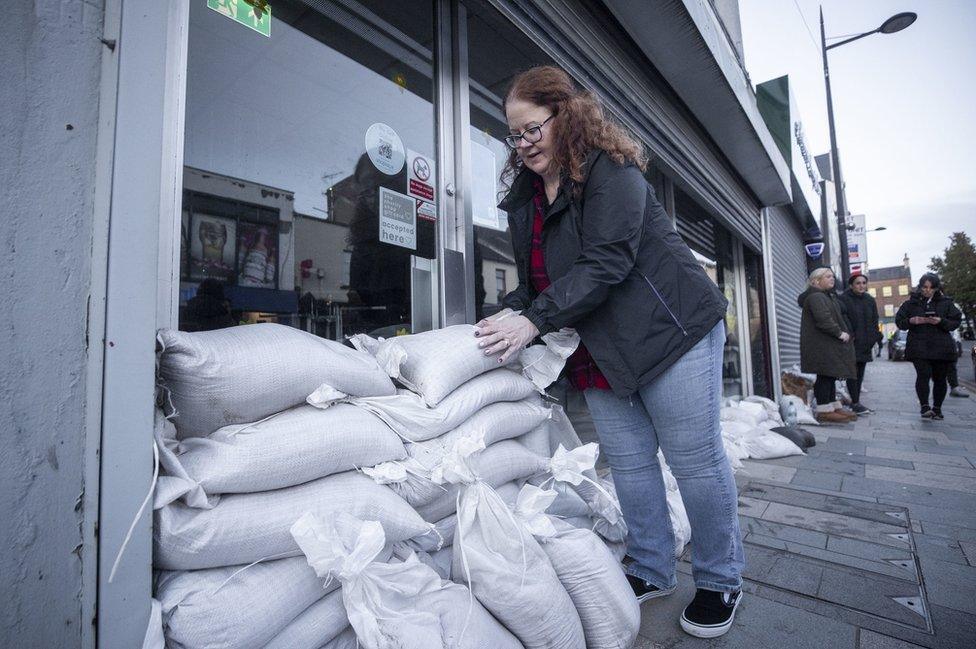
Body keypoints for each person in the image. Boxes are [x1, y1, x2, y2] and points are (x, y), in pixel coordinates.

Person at [473, 66, 744, 639]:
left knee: (694, 461)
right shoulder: (525, 200)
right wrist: (508, 311)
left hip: (672, 333)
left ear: (566, 115)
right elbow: (536, 281)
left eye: (532, 130)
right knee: (628, 464)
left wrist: (533, 319)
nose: (523, 146)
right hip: (602, 343)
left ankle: (721, 579)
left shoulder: (609, 170)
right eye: (514, 136)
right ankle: (651, 568)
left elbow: (608, 262)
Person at [895, 273, 963, 420]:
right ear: (920, 287)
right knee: (923, 374)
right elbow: (900, 322)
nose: (927, 290)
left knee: (940, 378)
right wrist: (912, 321)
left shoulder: (946, 303)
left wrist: (940, 321)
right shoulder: (910, 304)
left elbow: (955, 322)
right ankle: (925, 407)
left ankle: (937, 409)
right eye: (925, 287)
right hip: (919, 346)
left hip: (941, 347)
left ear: (936, 288)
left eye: (931, 287)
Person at [797, 268, 857, 423]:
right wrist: (839, 333)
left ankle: (833, 407)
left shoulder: (825, 296)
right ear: (816, 281)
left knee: (830, 375)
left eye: (833, 276)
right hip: (822, 345)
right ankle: (824, 410)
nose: (832, 279)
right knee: (825, 376)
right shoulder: (816, 297)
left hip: (826, 344)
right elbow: (824, 320)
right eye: (828, 276)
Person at [839, 274, 882, 414]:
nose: (861, 285)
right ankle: (855, 402)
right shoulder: (843, 299)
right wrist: (850, 336)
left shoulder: (869, 300)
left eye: (864, 283)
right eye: (858, 283)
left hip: (866, 343)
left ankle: (856, 402)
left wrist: (874, 338)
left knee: (860, 372)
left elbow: (875, 320)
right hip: (851, 343)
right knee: (852, 373)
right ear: (851, 285)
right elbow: (842, 320)